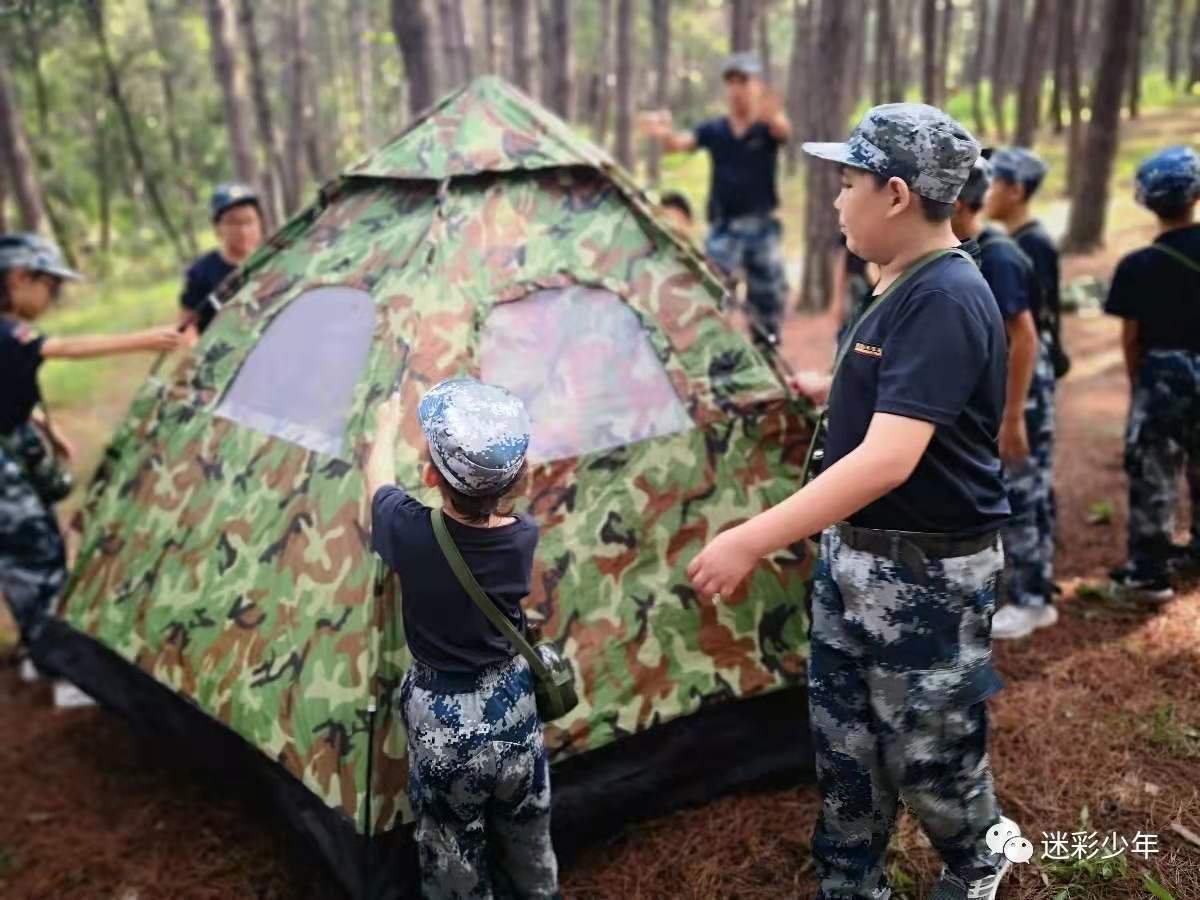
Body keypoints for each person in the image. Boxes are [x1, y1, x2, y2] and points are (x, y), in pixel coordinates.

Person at [688, 104, 1015, 900]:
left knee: (931, 757)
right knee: (846, 744)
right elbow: (900, 394)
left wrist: (749, 539)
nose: (836, 202)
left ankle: (980, 858)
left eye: (847, 184)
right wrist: (828, 387)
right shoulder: (901, 283)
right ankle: (849, 879)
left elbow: (888, 459)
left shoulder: (945, 296)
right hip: (858, 559)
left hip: (927, 577)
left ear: (896, 194)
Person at [366, 379, 559, 899]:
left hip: (442, 721)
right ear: (518, 479)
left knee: (451, 848)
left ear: (429, 475)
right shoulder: (523, 534)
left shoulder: (410, 533)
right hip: (514, 706)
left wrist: (383, 432)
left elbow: (378, 485)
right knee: (529, 832)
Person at [0, 233, 183, 702]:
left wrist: (46, 426)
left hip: (13, 444)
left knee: (32, 549)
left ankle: (38, 653)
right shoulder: (10, 332)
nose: (52, 298)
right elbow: (63, 348)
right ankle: (66, 672)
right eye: (50, 287)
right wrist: (142, 340)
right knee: (35, 554)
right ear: (20, 279)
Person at [953, 158, 1059, 639]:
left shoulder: (998, 255)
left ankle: (1033, 600)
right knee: (1011, 491)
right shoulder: (968, 251)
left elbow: (1025, 337)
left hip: (1023, 394)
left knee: (1022, 491)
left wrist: (1014, 413)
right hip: (999, 394)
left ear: (956, 202)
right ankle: (1019, 589)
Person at [639, 53, 791, 349]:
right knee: (709, 291)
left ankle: (769, 355)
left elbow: (783, 129)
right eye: (731, 82)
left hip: (761, 228)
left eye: (744, 81)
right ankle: (715, 354)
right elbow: (678, 145)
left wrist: (772, 112)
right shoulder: (715, 129)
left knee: (768, 298)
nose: (737, 89)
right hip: (724, 228)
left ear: (757, 85)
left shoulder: (766, 128)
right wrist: (664, 134)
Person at [1104, 146, 1200, 601]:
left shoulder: (1137, 266)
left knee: (1154, 470)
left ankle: (1149, 571)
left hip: (1161, 373)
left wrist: (1138, 381)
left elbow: (1130, 337)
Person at [985, 147, 1060, 608]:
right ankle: (1036, 582)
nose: (986, 192)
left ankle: (1032, 594)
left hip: (1027, 376)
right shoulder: (1017, 241)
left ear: (1015, 191)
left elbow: (1031, 329)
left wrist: (1014, 411)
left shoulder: (1026, 246)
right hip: (1027, 373)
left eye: (995, 182)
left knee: (1024, 480)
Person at [178, 182, 263, 336]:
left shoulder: (274, 259)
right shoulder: (201, 272)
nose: (243, 230)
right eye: (233, 222)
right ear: (217, 227)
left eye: (249, 221)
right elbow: (186, 325)